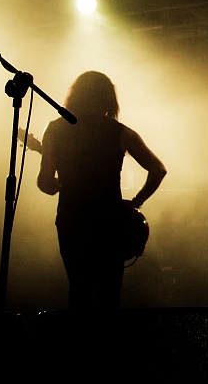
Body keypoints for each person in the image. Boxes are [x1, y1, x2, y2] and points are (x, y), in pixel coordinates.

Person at [37, 71, 167, 311]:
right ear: (108, 99)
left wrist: (55, 184)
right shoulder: (121, 133)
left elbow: (44, 183)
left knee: (79, 291)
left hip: (72, 222)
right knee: (109, 296)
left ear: (74, 96)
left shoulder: (54, 130)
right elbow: (158, 169)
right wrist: (136, 201)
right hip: (110, 224)